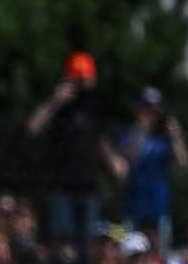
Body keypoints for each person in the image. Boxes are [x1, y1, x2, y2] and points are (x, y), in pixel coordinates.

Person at [26, 50, 121, 245]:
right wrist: (55, 102)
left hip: (89, 183)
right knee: (63, 235)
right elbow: (33, 127)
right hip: (63, 182)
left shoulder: (94, 106)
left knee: (89, 235)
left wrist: (113, 159)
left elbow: (100, 137)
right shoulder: (60, 107)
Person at [113, 87, 187, 251]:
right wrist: (140, 130)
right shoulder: (127, 134)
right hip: (132, 206)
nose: (148, 114)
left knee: (161, 251)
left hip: (159, 208)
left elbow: (182, 164)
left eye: (152, 110)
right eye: (144, 109)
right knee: (127, 246)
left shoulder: (164, 139)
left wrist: (176, 137)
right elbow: (127, 159)